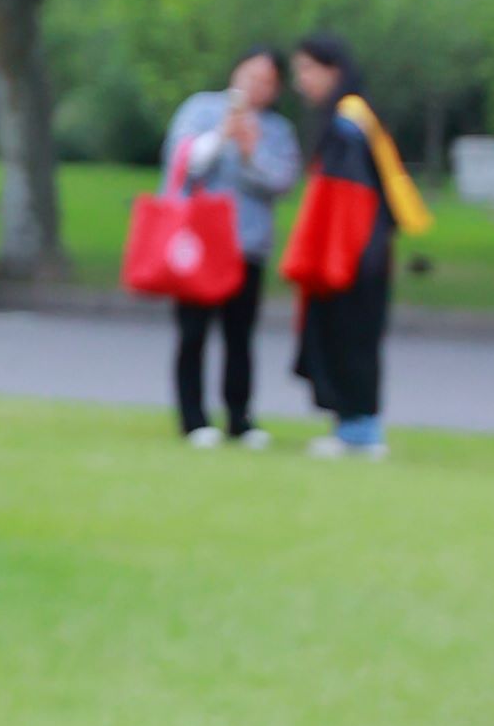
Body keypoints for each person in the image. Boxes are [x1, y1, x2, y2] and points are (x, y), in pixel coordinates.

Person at [283, 31, 434, 460]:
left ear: (333, 70)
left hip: (351, 251)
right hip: (363, 249)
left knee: (349, 337)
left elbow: (348, 199)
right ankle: (353, 426)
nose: (301, 81)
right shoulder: (356, 117)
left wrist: (330, 256)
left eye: (307, 70)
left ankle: (359, 430)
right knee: (351, 335)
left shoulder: (347, 123)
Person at [159, 47, 299, 446]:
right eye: (251, 75)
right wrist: (223, 135)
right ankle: (193, 419)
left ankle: (240, 417)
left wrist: (251, 150)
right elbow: (183, 163)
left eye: (266, 81)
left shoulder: (277, 130)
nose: (256, 86)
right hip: (199, 242)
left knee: (240, 335)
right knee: (193, 332)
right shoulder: (201, 110)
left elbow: (282, 181)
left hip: (246, 244)